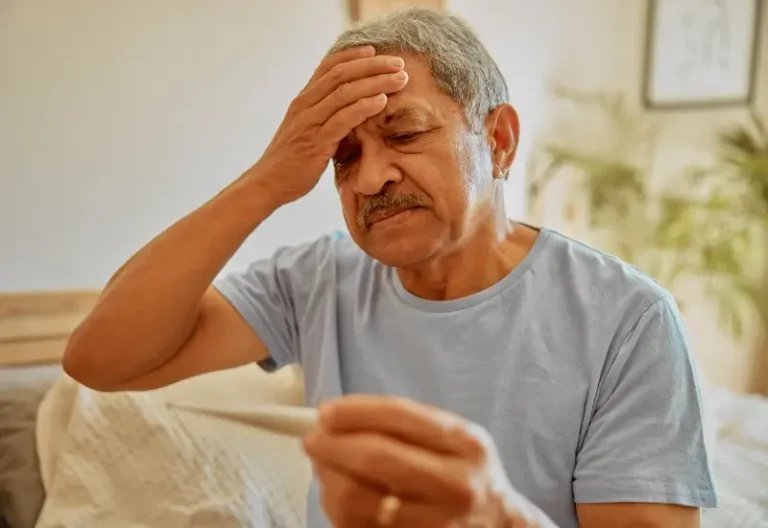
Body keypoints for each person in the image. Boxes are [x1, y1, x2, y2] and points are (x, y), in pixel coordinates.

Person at [63, 8, 717, 528]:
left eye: (404, 134)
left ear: (499, 140)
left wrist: (494, 518)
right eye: (343, 157)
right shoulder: (318, 280)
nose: (372, 177)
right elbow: (99, 359)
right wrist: (268, 179)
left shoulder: (629, 318)